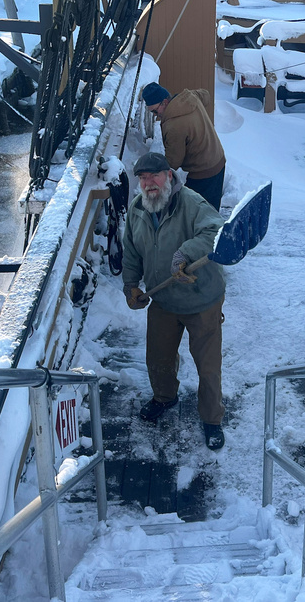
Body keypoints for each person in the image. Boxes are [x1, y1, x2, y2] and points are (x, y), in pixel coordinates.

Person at [122, 151, 228, 450]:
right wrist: (130, 284)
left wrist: (186, 253)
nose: (148, 183)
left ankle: (211, 418)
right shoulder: (138, 209)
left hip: (201, 299)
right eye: (142, 178)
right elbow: (131, 249)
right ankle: (164, 398)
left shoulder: (191, 203)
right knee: (159, 358)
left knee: (207, 366)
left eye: (154, 176)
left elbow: (217, 231)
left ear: (169, 175)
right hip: (163, 298)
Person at [142, 82, 227, 211]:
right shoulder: (191, 97)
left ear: (165, 102)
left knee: (195, 210)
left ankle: (208, 230)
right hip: (218, 159)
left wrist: (155, 170)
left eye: (155, 110)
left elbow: (173, 161)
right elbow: (206, 95)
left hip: (203, 172)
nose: (155, 115)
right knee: (211, 207)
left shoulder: (173, 126)